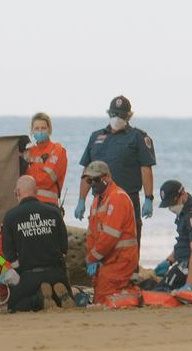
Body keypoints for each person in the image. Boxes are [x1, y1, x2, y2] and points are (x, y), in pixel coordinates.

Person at [76, 96, 156, 262]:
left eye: (121, 114)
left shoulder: (138, 137)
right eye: (114, 113)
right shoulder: (96, 136)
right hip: (100, 200)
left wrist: (149, 198)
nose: (117, 117)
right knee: (100, 237)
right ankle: (101, 273)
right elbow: (86, 169)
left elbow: (145, 168)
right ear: (109, 113)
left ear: (129, 116)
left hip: (127, 199)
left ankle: (131, 276)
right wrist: (81, 200)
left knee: (129, 240)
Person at [2, 176, 73, 312]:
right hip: (56, 272)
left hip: (30, 275)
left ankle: (40, 298)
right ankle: (61, 297)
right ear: (37, 191)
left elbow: (8, 251)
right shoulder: (54, 211)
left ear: (17, 192)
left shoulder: (11, 216)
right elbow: (64, 245)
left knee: (14, 306)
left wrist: (20, 269)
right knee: (63, 298)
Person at [82, 161, 139, 304]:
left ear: (107, 178)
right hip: (107, 259)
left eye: (96, 179)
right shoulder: (97, 201)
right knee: (99, 294)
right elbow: (91, 234)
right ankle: (128, 292)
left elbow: (109, 237)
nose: (92, 184)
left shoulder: (118, 198)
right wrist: (91, 256)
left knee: (104, 297)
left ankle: (136, 296)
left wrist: (92, 258)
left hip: (121, 258)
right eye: (89, 180)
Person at [153, 180, 192, 296]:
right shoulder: (184, 211)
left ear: (182, 194)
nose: (171, 207)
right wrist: (169, 261)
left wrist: (189, 286)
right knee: (156, 287)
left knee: (160, 293)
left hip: (190, 265)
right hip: (182, 263)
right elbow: (184, 242)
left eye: (172, 203)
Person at [23, 112, 68, 209]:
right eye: (37, 128)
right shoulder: (28, 152)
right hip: (28, 206)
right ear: (32, 130)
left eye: (43, 128)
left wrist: (26, 179)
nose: (40, 131)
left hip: (48, 206)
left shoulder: (58, 150)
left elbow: (45, 180)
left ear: (49, 129)